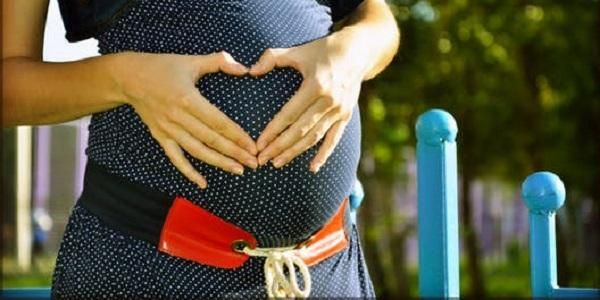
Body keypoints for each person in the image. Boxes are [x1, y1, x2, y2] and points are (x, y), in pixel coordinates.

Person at [3, 0, 399, 298]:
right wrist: (124, 79)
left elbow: (377, 20)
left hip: (323, 271)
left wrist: (354, 53)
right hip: (146, 267)